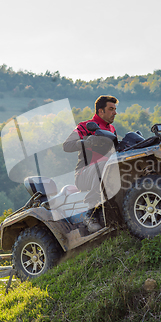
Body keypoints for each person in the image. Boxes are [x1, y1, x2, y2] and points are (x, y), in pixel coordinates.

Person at [63, 95, 118, 232]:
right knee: (105, 165)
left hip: (104, 171)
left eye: (115, 109)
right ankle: (90, 214)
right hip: (83, 174)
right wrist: (84, 142)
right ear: (100, 111)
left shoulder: (111, 129)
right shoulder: (84, 126)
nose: (115, 112)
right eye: (111, 109)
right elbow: (66, 145)